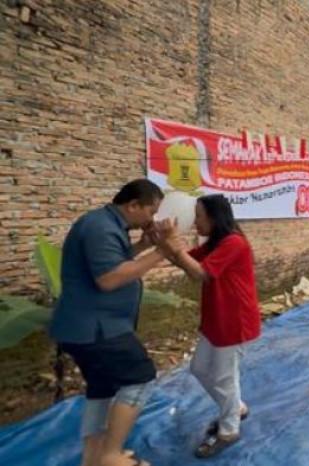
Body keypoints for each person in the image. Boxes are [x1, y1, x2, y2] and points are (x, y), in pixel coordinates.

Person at [49, 179, 175, 466]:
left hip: (88, 327)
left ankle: (93, 456)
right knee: (140, 378)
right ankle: (110, 455)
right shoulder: (100, 227)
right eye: (150, 212)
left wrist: (143, 245)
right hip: (97, 328)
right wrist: (162, 251)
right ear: (133, 205)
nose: (152, 220)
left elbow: (111, 261)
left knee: (102, 388)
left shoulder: (106, 224)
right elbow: (108, 278)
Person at [162, 194, 261, 457]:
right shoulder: (216, 244)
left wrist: (173, 245)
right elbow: (185, 262)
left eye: (199, 216)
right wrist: (164, 243)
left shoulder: (234, 243)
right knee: (199, 368)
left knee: (225, 378)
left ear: (215, 218)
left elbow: (201, 273)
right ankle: (236, 408)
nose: (195, 222)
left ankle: (229, 430)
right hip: (217, 319)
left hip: (234, 321)